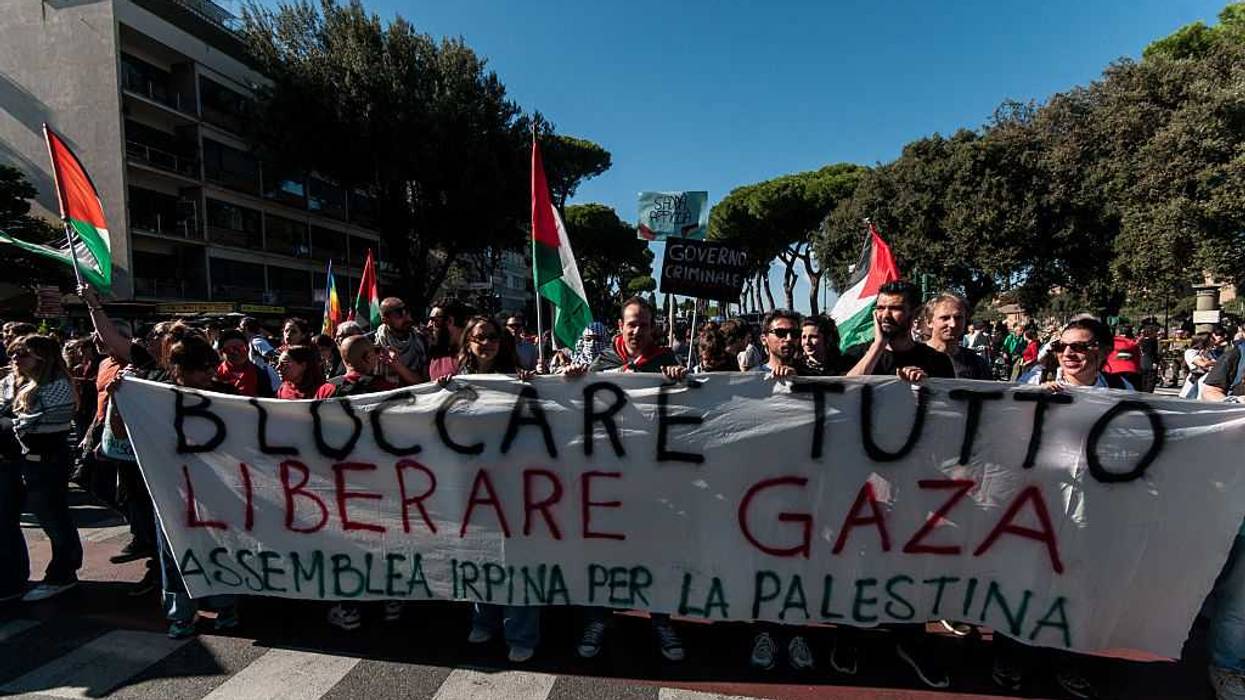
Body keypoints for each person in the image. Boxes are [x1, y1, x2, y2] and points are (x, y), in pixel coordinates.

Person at [563, 297, 685, 662]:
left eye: (644, 324)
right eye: (631, 323)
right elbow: (579, 405)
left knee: (654, 550)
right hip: (606, 477)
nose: (637, 330)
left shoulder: (666, 361)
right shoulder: (603, 363)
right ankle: (597, 619)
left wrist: (680, 381)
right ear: (620, 325)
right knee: (603, 551)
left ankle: (661, 619)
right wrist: (571, 381)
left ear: (652, 327)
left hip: (652, 478)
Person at [444, 317, 539, 662]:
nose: (487, 343)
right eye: (480, 337)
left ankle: (522, 632)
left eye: (494, 338)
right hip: (474, 485)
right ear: (468, 341)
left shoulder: (517, 378)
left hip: (516, 484)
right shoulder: (455, 381)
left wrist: (534, 385)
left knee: (519, 557)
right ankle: (485, 619)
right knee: (481, 553)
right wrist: (440, 392)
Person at [161, 336, 240, 638]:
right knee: (174, 551)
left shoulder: (224, 394)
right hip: (172, 490)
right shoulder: (156, 396)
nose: (210, 374)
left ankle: (226, 606)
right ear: (179, 369)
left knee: (219, 545)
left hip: (216, 489)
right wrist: (119, 399)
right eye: (202, 369)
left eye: (211, 367)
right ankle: (181, 614)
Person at [4, 334, 83, 602]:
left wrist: (9, 421)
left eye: (23, 354)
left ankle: (63, 573)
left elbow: (29, 424)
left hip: (47, 459)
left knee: (53, 517)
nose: (15, 359)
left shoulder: (58, 385)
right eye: (13, 353)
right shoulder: (14, 381)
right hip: (25, 459)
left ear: (42, 356)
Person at [844, 280, 955, 382]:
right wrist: (878, 346)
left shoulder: (937, 361)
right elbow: (846, 391)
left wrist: (925, 384)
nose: (885, 315)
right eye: (880, 308)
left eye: (895, 309)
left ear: (915, 313)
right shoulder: (855, 355)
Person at [1019, 317, 1132, 390]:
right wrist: (1034, 399)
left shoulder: (1120, 386)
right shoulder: (1033, 381)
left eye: (1078, 347)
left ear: (1104, 352)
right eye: (1060, 346)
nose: (1067, 353)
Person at [924, 294, 991, 380]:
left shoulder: (977, 364)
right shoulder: (912, 359)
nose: (953, 324)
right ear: (929, 322)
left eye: (958, 318)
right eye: (945, 318)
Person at [373, 297, 428, 386]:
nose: (407, 318)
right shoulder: (375, 344)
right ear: (385, 319)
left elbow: (425, 381)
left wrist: (397, 365)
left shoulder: (421, 340)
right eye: (399, 314)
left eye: (407, 312)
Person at [215, 329, 275, 398]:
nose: (236, 353)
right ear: (221, 353)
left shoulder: (261, 374)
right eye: (230, 349)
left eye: (241, 348)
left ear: (248, 349)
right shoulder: (214, 374)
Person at [426, 298, 470, 382]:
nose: (429, 326)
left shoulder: (475, 354)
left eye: (435, 320)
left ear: (450, 321)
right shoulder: (435, 356)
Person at [237, 317, 279, 392]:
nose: (239, 330)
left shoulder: (257, 341)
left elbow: (273, 356)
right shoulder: (252, 341)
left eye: (240, 327)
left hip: (268, 381)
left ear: (246, 328)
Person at [1104, 324, 1142, 389]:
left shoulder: (1110, 342)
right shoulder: (1132, 343)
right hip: (1131, 371)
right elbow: (1137, 358)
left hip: (1112, 370)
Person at [1180, 332, 1215, 399]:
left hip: (1206, 383)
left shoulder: (1209, 352)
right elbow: (1202, 364)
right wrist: (1214, 362)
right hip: (1194, 383)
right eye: (1211, 338)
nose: (1213, 340)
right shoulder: (1191, 352)